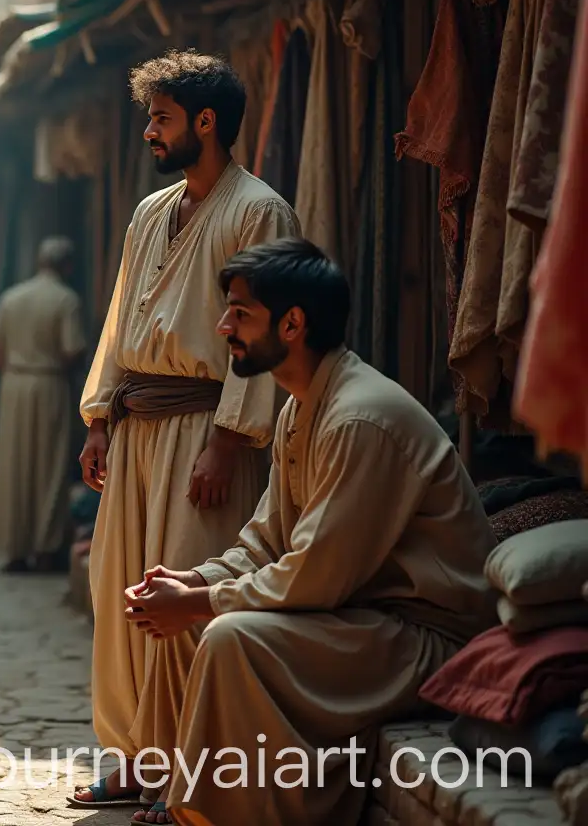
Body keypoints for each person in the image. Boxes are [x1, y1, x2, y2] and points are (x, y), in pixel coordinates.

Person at [124, 238, 498, 825]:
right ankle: (181, 793)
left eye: (241, 313)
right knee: (189, 627)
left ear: (293, 323)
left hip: (428, 643)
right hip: (360, 620)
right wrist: (193, 580)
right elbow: (267, 540)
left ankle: (212, 814)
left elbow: (316, 576)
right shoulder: (302, 407)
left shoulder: (360, 418)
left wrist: (201, 601)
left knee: (226, 636)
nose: (224, 327)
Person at [72, 50, 301, 810]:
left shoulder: (259, 210)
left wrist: (228, 440)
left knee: (186, 591)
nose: (148, 132)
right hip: (138, 425)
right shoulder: (150, 211)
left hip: (206, 428)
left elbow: (260, 335)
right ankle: (137, 756)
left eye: (161, 118)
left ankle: (188, 770)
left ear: (206, 122)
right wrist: (102, 415)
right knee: (121, 596)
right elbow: (119, 320)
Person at [0, 235, 87, 572]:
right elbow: (73, 349)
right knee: (51, 466)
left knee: (14, 464)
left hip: (13, 383)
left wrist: (13, 372)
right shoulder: (66, 300)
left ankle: (15, 547)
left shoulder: (12, 297)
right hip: (49, 383)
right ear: (68, 265)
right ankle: (46, 548)